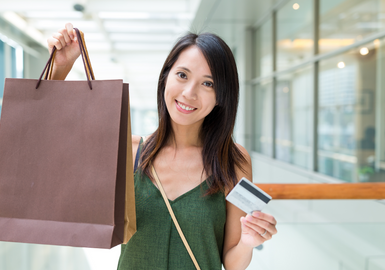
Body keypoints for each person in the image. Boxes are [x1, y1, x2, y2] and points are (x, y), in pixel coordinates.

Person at [47, 23, 277, 270]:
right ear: (165, 77)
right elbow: (53, 143)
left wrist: (247, 242)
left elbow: (233, 263)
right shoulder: (131, 150)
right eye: (182, 75)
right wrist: (60, 67)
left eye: (207, 83)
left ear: (222, 96)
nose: (189, 93)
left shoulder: (232, 159)